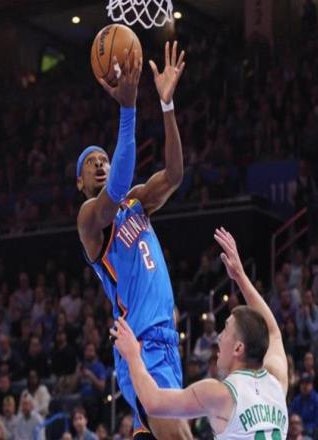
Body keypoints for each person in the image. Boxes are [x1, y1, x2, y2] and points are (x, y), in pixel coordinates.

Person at [76, 41, 189, 439]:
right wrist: (128, 109)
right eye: (91, 164)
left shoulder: (137, 202)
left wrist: (167, 106)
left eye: (104, 159)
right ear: (80, 183)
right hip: (140, 345)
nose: (100, 164)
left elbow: (174, 175)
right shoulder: (90, 219)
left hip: (166, 345)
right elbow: (119, 184)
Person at [111, 228, 289, 439]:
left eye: (226, 330)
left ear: (238, 348)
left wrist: (133, 356)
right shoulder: (276, 382)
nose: (219, 337)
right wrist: (240, 277)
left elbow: (153, 403)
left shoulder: (220, 394)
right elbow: (272, 332)